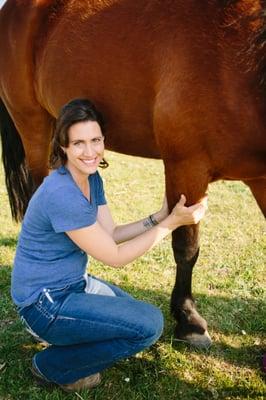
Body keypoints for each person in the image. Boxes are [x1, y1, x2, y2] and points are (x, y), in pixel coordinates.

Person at [11, 98, 207, 393]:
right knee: (148, 325)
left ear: (104, 141)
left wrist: (159, 216)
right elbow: (115, 257)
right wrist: (171, 225)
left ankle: (67, 334)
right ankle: (52, 366)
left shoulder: (91, 177)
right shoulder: (61, 194)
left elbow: (111, 233)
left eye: (95, 140)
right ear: (63, 145)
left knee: (130, 313)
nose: (89, 152)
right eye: (78, 143)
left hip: (75, 285)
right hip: (45, 302)